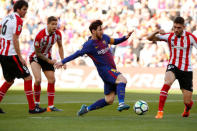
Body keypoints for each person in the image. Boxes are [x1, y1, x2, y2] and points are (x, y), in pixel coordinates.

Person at [55, 20, 133, 116]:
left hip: (110, 70)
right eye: (100, 30)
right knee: (122, 80)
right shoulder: (89, 45)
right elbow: (77, 54)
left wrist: (125, 37)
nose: (102, 32)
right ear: (93, 31)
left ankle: (86, 109)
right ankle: (121, 104)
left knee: (109, 100)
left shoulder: (105, 38)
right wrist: (62, 62)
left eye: (102, 29)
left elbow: (115, 41)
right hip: (105, 71)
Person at [0, 0, 46, 114]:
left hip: (3, 54)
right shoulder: (18, 20)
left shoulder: (6, 17)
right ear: (18, 9)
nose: (25, 12)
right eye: (24, 9)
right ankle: (32, 108)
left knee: (9, 80)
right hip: (11, 55)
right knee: (28, 78)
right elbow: (15, 39)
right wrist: (20, 57)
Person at [147, 16, 197, 119]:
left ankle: (187, 108)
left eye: (179, 28)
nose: (176, 30)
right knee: (166, 83)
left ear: (183, 27)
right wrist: (156, 31)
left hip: (186, 70)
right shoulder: (169, 36)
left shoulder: (191, 37)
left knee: (187, 102)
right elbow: (149, 38)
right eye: (175, 27)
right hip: (173, 66)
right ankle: (160, 112)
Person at [29, 16, 65, 112]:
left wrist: (63, 61)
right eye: (52, 24)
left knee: (52, 80)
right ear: (47, 24)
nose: (54, 26)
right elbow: (38, 53)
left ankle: (51, 106)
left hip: (47, 57)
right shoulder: (40, 35)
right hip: (35, 57)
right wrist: (49, 61)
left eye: (56, 24)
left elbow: (60, 46)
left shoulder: (58, 34)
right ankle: (36, 104)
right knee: (38, 79)